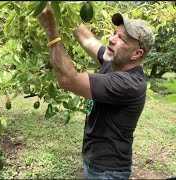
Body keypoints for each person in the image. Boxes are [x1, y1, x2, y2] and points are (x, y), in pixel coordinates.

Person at [38, 4, 154, 180]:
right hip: (96, 163)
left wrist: (51, 28)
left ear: (136, 54)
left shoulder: (128, 83)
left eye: (121, 39)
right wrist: (61, 6)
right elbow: (87, 40)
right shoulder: (114, 63)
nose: (111, 39)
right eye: (115, 33)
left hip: (108, 172)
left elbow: (67, 80)